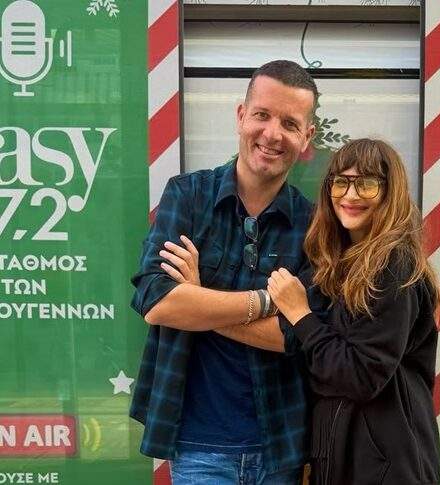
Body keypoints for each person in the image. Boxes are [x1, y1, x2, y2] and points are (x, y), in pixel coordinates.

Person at [130, 60, 325, 485]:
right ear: (241, 115)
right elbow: (156, 302)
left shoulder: (314, 225)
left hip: (280, 447)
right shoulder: (188, 196)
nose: (272, 134)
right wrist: (267, 302)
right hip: (198, 447)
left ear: (307, 137)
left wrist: (198, 298)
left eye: (290, 123)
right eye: (262, 115)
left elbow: (294, 336)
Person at [266, 138, 440, 484]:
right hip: (351, 460)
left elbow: (360, 376)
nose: (350, 195)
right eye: (341, 182)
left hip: (387, 467)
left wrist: (301, 315)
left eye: (366, 183)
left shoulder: (393, 266)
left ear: (390, 191)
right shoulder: (339, 263)